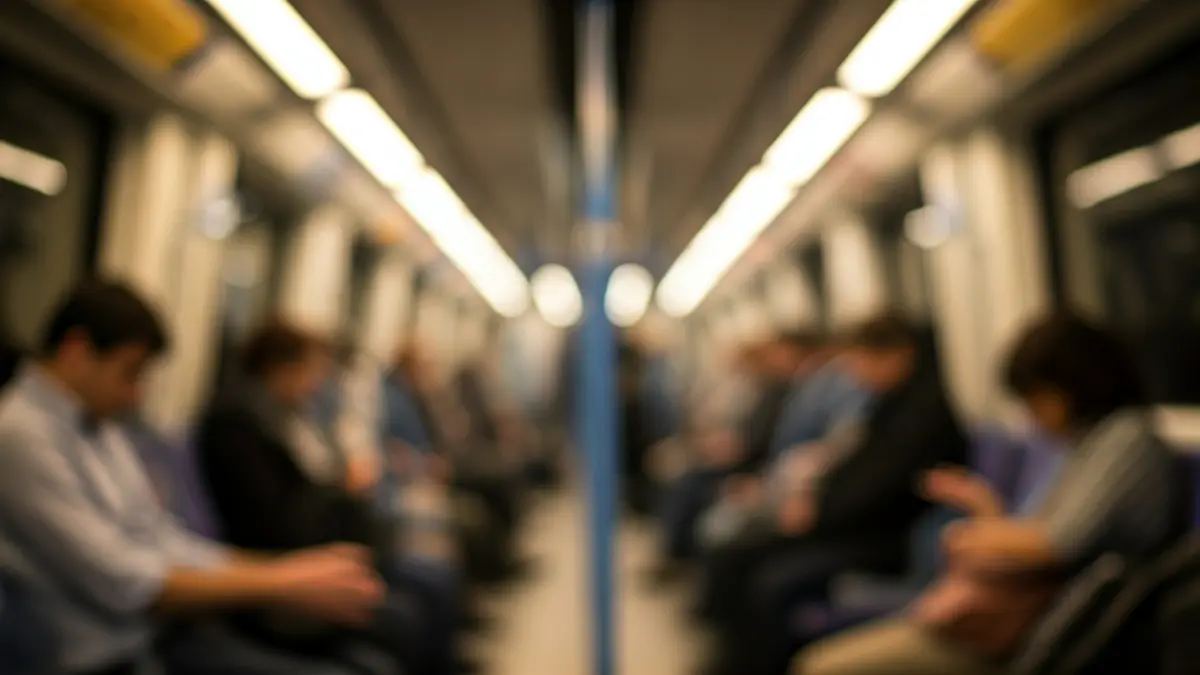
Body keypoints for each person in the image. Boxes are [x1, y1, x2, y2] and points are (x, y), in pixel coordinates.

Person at [0, 279, 387, 675]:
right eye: (130, 373)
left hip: (159, 636)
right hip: (109, 659)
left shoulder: (97, 425)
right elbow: (124, 583)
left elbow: (160, 537)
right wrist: (282, 582)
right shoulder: (20, 436)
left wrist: (290, 571)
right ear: (77, 351)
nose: (137, 394)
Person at [794, 312, 1185, 675]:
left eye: (1037, 402)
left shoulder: (1126, 440)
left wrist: (969, 536)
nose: (1034, 419)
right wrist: (982, 505)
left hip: (1035, 625)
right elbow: (1036, 529)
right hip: (1025, 611)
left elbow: (1056, 542)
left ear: (1071, 386)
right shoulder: (1086, 442)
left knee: (821, 666)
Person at [698, 312, 969, 675]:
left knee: (772, 578)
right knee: (743, 551)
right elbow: (853, 470)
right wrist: (814, 502)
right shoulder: (889, 404)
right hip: (853, 525)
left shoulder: (923, 415)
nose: (858, 373)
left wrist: (819, 516)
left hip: (886, 539)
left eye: (864, 361)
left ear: (898, 355)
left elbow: (881, 493)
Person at [195, 322, 466, 675]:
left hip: (316, 543)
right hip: (285, 561)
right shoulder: (239, 427)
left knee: (422, 581)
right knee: (403, 614)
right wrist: (342, 495)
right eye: (311, 372)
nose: (317, 384)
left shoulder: (288, 416)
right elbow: (272, 524)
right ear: (281, 368)